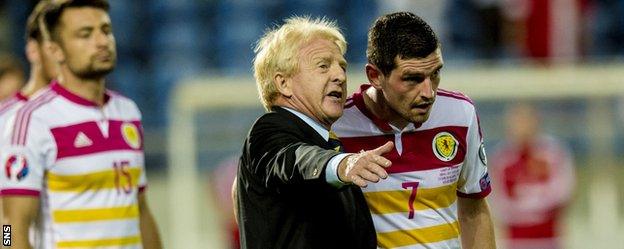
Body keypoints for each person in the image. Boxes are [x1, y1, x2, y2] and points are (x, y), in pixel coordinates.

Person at [0, 1, 162, 248]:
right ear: (56, 51)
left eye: (105, 30)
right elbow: (9, 225)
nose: (101, 41)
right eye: (85, 34)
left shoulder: (128, 112)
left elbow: (140, 208)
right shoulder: (31, 120)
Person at [332, 12, 496, 249]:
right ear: (375, 76)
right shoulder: (338, 126)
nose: (428, 93)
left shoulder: (460, 114)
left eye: (435, 74)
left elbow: (474, 206)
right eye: (412, 79)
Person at [235, 16, 395, 249]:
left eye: (342, 66)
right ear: (283, 84)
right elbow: (296, 159)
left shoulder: (330, 144)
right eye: (323, 65)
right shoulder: (268, 129)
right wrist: (340, 165)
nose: (340, 76)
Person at [490, 103, 575, 249]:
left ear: (536, 121)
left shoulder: (553, 153)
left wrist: (527, 200)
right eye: (518, 121)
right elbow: (497, 200)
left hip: (550, 238)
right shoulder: (501, 158)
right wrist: (531, 203)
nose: (523, 126)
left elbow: (564, 191)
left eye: (526, 121)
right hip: (516, 240)